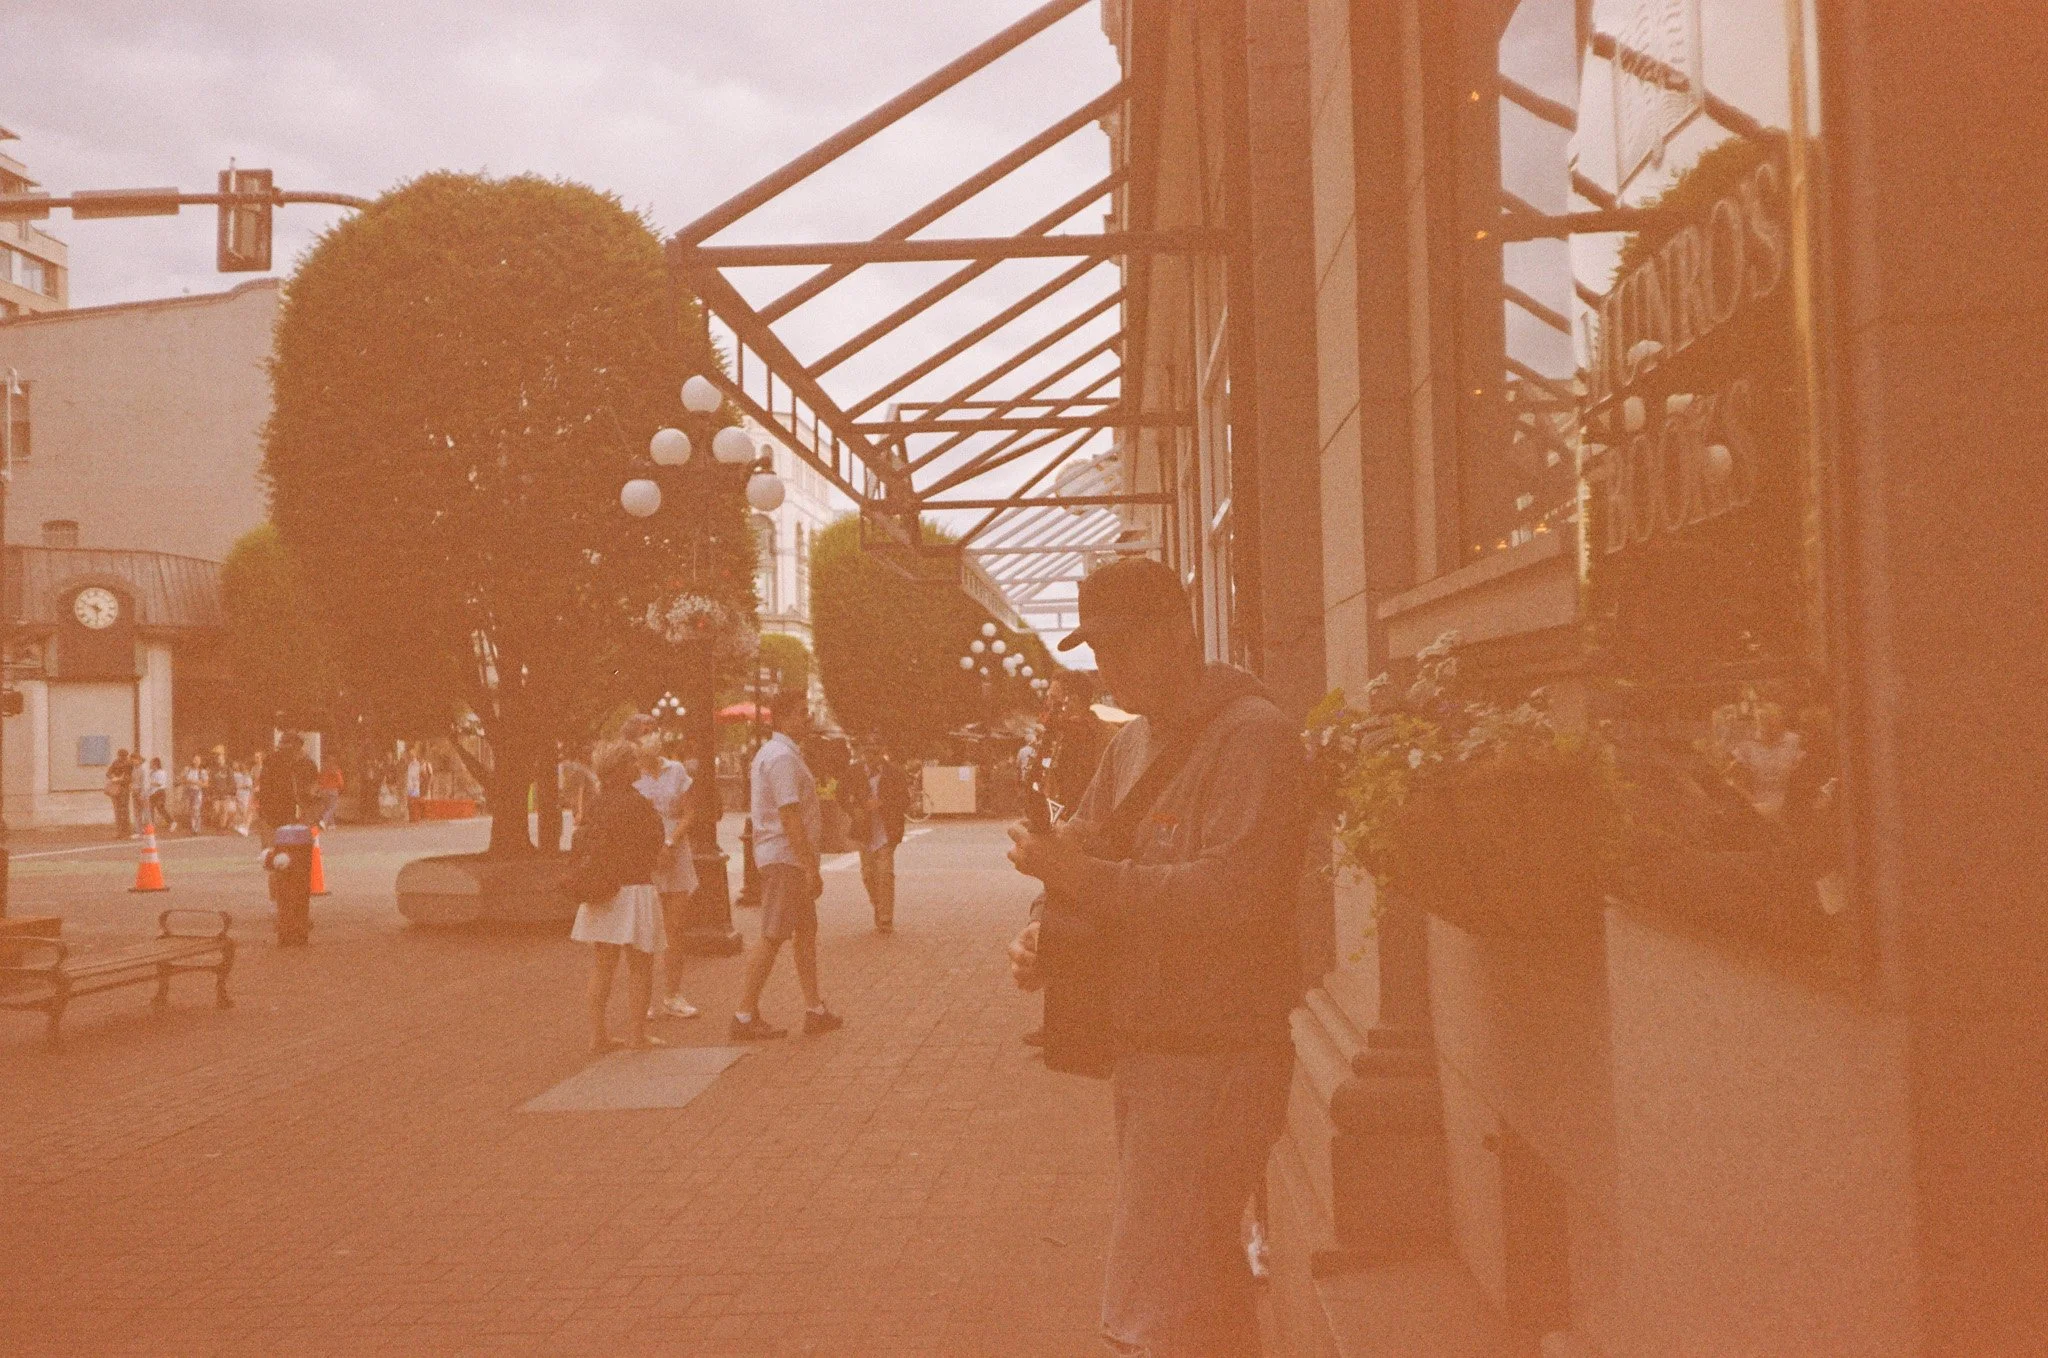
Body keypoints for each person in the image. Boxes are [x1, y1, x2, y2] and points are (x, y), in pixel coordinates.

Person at [1004, 556, 1306, 1356]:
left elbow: (1235, 897)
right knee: (1199, 1278)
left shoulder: (1256, 738)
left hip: (1216, 1055)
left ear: (1180, 633)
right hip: (1151, 1050)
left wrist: (1081, 877)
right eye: (1096, 648)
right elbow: (1085, 849)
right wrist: (1047, 936)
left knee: (1158, 1302)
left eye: (1123, 644)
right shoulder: (1132, 741)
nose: (1107, 664)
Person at [731, 697, 842, 1040]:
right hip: (785, 858)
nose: (807, 719)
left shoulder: (780, 754)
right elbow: (789, 813)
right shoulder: (780, 758)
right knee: (774, 933)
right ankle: (744, 1014)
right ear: (783, 718)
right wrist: (809, 864)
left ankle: (814, 1008)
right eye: (801, 713)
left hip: (785, 856)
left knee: (804, 932)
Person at [569, 741, 670, 1053]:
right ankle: (637, 1035)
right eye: (632, 762)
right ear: (621, 768)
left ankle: (597, 1035)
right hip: (635, 889)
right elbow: (655, 845)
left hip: (603, 889)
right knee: (640, 966)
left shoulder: (597, 803)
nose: (637, 766)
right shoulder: (638, 804)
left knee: (603, 966)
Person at [619, 714, 701, 1022]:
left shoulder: (675, 770)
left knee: (675, 928)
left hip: (675, 854)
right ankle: (645, 997)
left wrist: (670, 842)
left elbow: (690, 812)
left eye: (655, 730)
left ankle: (673, 994)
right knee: (645, 929)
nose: (652, 736)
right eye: (644, 732)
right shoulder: (630, 776)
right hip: (644, 857)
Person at [847, 738, 909, 932]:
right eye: (867, 752)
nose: (870, 757)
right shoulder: (854, 772)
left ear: (882, 751)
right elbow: (841, 794)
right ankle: (878, 905)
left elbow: (904, 800)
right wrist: (854, 808)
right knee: (868, 875)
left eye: (874, 752)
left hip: (886, 832)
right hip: (864, 831)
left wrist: (882, 803)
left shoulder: (895, 773)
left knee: (885, 874)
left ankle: (885, 917)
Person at [105, 749, 136, 839]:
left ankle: (122, 832)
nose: (121, 757)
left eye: (122, 756)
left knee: (120, 811)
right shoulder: (128, 764)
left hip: (121, 788)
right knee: (122, 811)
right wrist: (117, 778)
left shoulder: (121, 763)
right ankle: (123, 832)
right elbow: (109, 773)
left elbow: (109, 773)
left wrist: (115, 778)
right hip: (121, 789)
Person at [179, 754, 208, 835]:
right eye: (194, 760)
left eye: (198, 760)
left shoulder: (202, 771)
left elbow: (206, 784)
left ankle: (196, 829)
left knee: (196, 809)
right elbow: (180, 779)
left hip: (197, 791)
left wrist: (196, 782)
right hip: (188, 791)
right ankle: (191, 827)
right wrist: (187, 781)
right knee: (188, 809)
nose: (196, 762)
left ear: (200, 762)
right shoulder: (187, 769)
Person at [144, 757, 169, 829]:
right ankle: (151, 825)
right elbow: (151, 784)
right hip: (152, 793)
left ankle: (171, 822)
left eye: (151, 763)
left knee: (160, 808)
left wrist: (149, 783)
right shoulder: (152, 773)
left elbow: (160, 783)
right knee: (150, 809)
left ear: (156, 764)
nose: (150, 765)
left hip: (160, 792)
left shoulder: (162, 772)